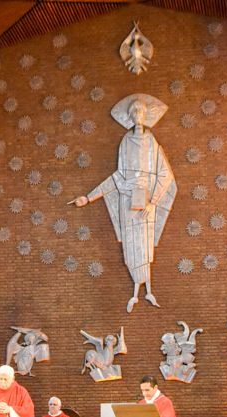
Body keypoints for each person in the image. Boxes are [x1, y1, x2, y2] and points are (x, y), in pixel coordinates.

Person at [69, 93, 177, 312]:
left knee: (144, 246)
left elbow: (164, 175)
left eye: (141, 111)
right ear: (129, 116)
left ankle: (148, 290)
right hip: (127, 199)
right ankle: (136, 292)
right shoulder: (125, 142)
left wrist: (153, 202)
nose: (138, 115)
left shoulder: (152, 143)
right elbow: (119, 176)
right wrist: (89, 197)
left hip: (146, 201)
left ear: (147, 116)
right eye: (134, 111)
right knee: (131, 247)